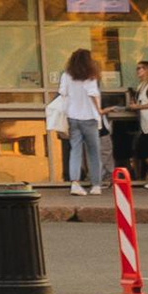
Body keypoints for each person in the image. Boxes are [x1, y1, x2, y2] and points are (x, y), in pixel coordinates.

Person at [48, 48, 108, 196]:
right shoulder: (91, 75)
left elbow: (63, 93)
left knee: (75, 151)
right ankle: (96, 185)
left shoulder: (67, 75)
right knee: (94, 152)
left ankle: (75, 183)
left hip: (73, 117)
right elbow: (93, 93)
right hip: (89, 118)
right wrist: (99, 110)